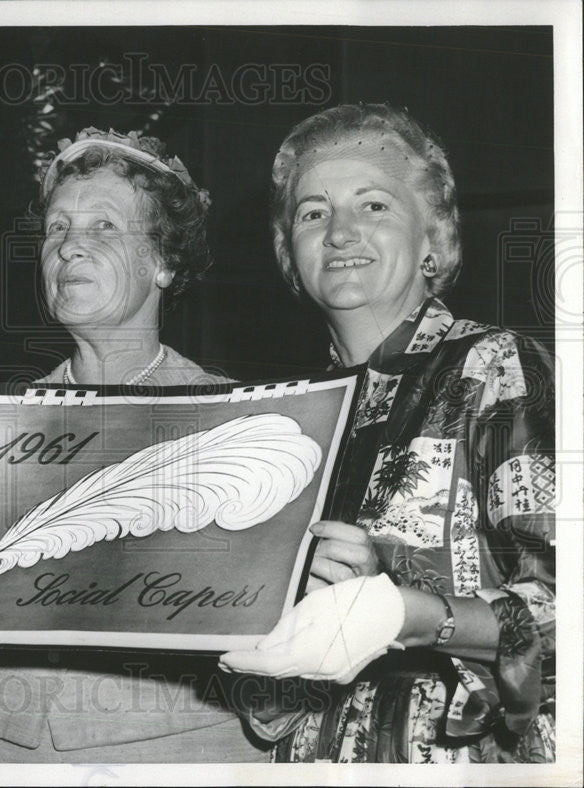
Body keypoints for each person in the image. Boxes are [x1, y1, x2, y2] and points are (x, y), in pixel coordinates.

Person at [0, 128, 271, 762]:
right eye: (57, 229)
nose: (70, 247)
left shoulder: (242, 424)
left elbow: (278, 694)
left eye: (104, 227)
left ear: (165, 262)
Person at [218, 104, 555, 763]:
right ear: (291, 254)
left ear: (433, 238)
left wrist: (402, 611)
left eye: (372, 206)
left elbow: (560, 606)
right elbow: (272, 708)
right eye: (313, 213)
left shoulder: (495, 367)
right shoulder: (285, 425)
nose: (341, 231)